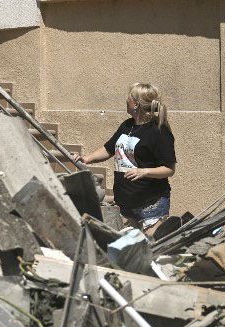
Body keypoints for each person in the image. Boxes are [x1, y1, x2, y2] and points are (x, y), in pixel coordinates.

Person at [72, 83, 175, 235]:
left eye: (129, 97)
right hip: (127, 202)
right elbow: (108, 149)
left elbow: (169, 169)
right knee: (130, 250)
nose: (126, 100)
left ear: (136, 104)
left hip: (151, 204)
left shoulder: (159, 131)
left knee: (151, 249)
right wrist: (87, 159)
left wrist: (143, 172)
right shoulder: (127, 126)